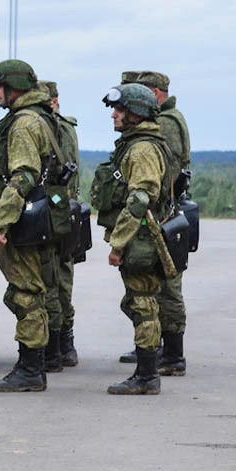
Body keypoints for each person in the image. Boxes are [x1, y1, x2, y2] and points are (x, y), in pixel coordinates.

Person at [0, 60, 66, 392]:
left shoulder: (24, 123)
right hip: (35, 218)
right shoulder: (38, 117)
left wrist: (1, 223)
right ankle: (32, 365)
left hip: (22, 221)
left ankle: (30, 369)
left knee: (26, 293)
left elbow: (24, 175)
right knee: (30, 292)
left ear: (14, 87)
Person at [95, 83, 178, 395]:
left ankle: (146, 376)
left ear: (137, 112)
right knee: (140, 302)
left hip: (140, 239)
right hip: (140, 237)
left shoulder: (141, 149)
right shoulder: (140, 145)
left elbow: (140, 199)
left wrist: (118, 243)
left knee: (143, 305)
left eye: (120, 109)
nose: (114, 115)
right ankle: (146, 373)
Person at [119, 70, 191, 376]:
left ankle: (172, 354)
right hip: (161, 212)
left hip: (162, 215)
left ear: (155, 93)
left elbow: (165, 174)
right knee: (155, 289)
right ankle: (157, 346)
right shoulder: (164, 120)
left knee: (166, 288)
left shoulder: (166, 123)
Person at [43, 81, 81, 368]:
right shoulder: (60, 126)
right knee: (58, 277)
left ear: (54, 102)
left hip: (58, 212)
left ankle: (61, 343)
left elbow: (61, 177)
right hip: (60, 210)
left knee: (58, 279)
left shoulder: (60, 129)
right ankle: (62, 343)